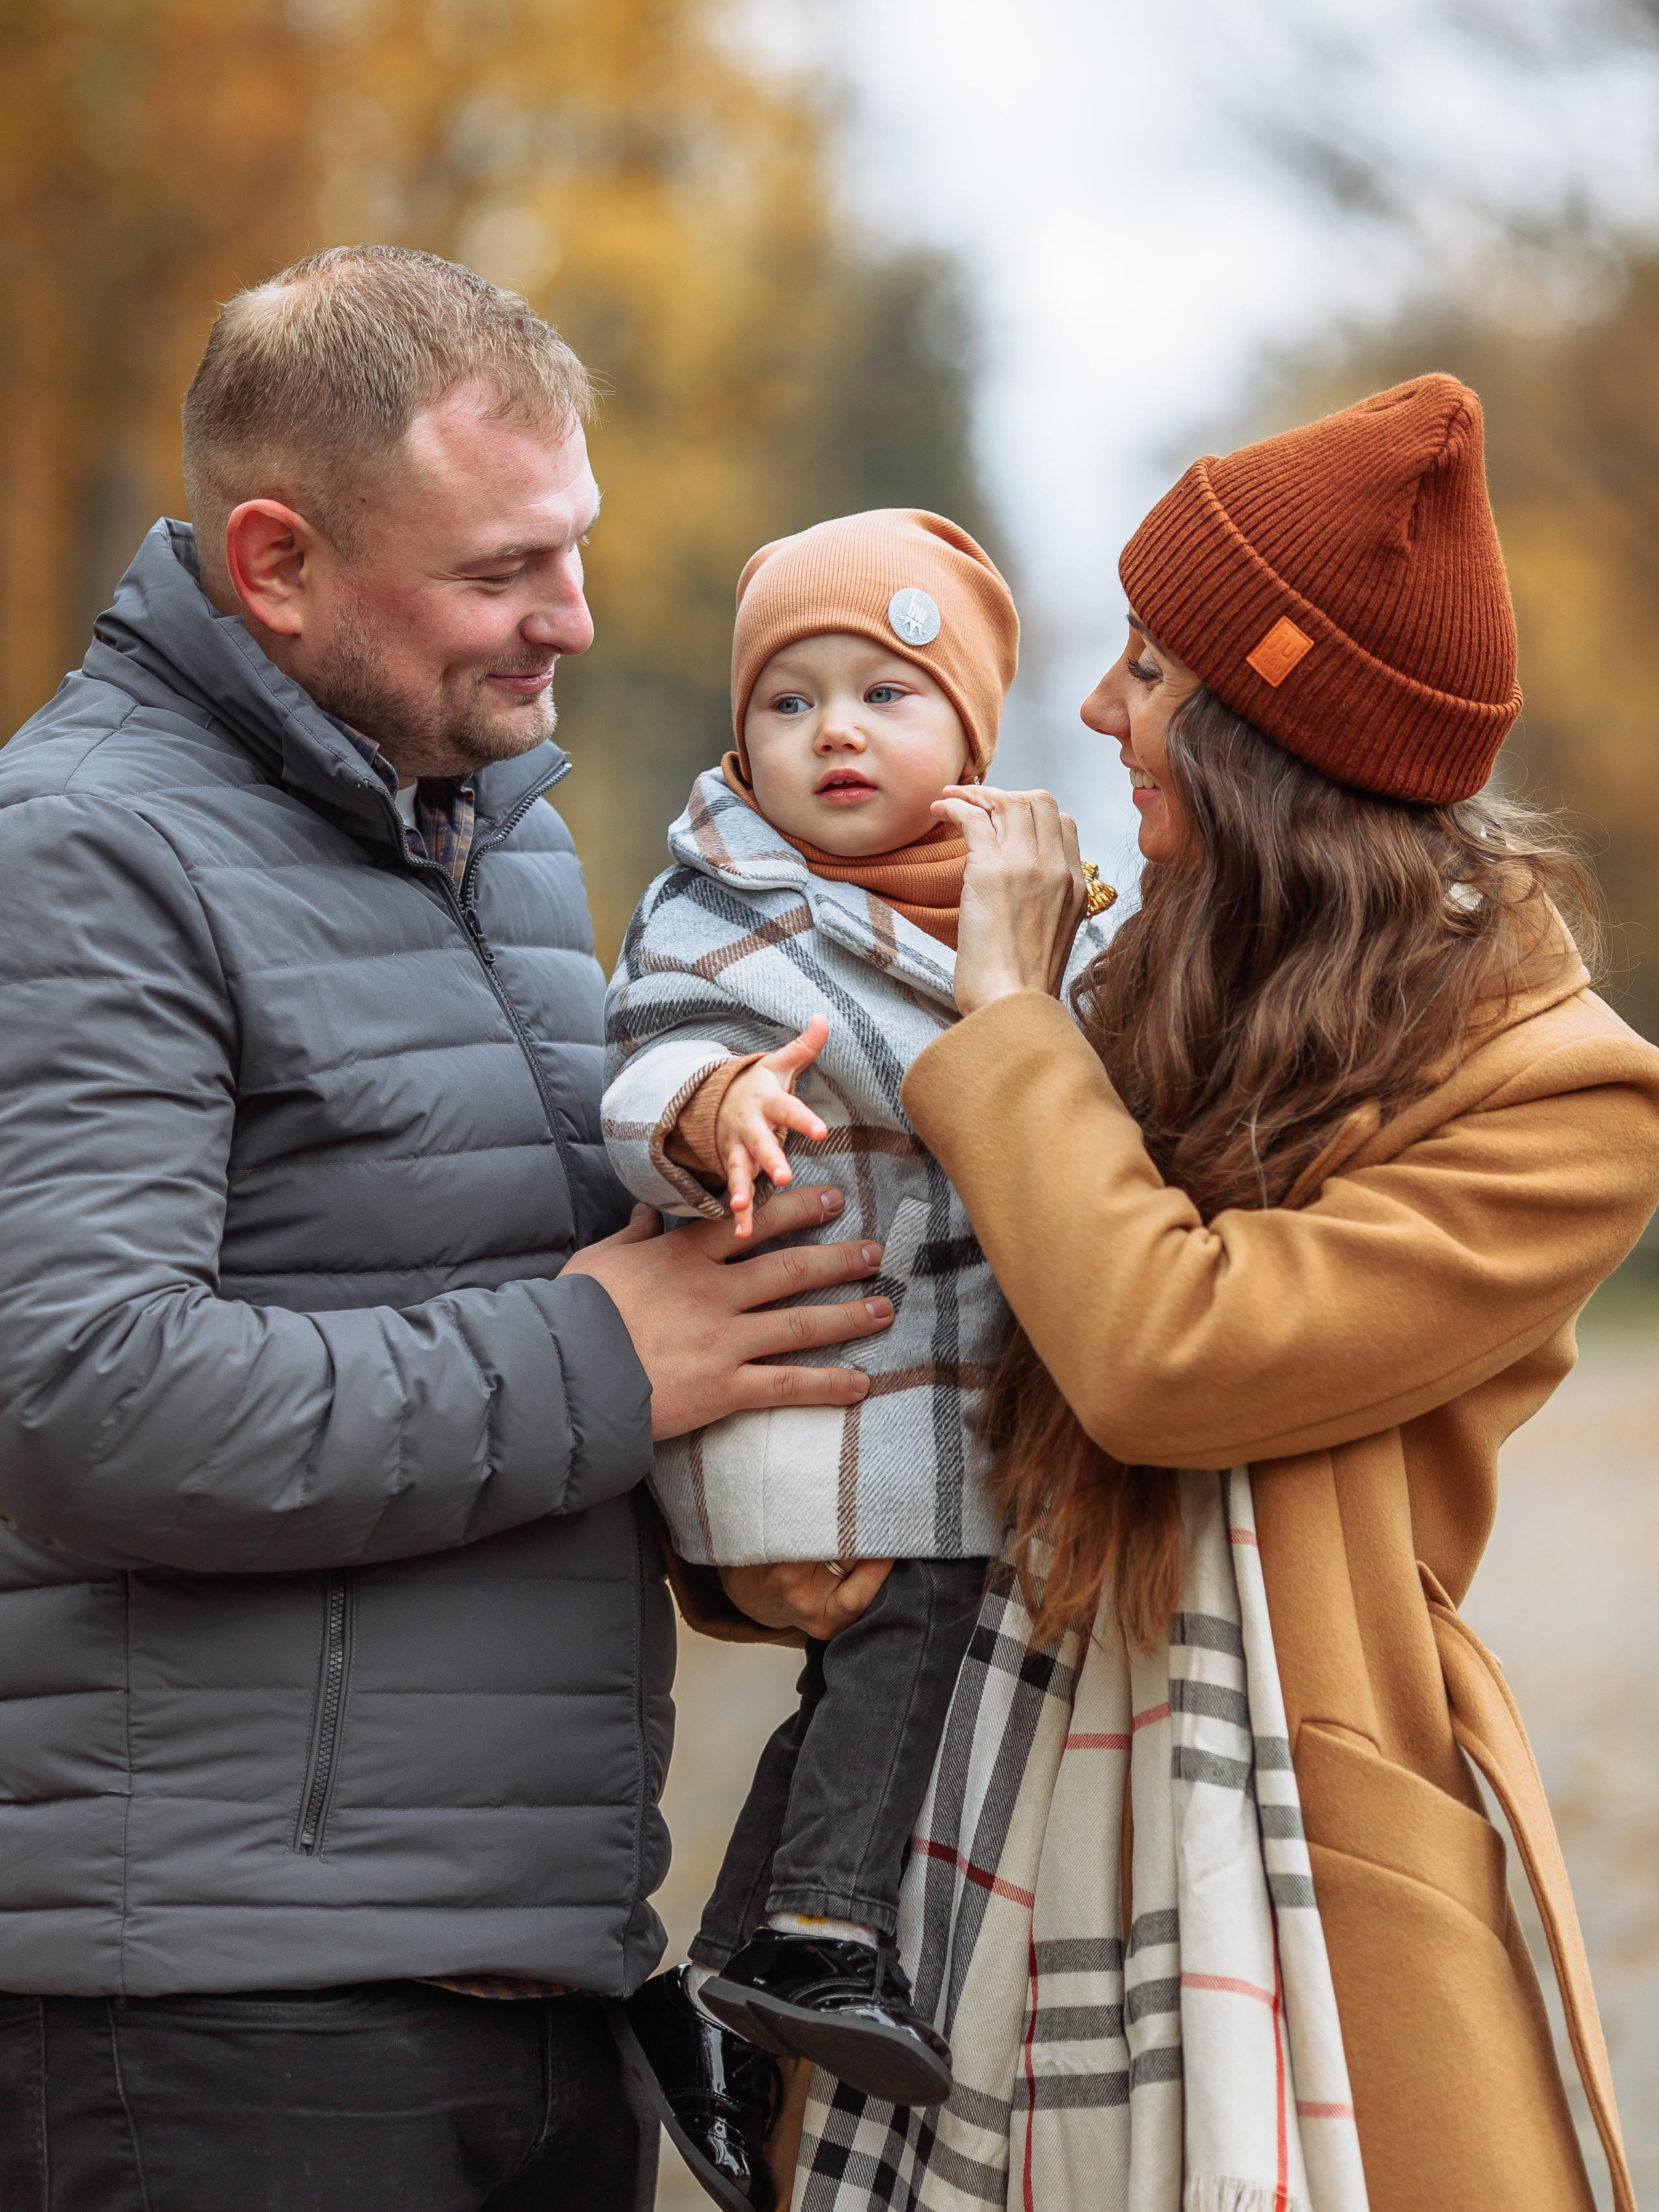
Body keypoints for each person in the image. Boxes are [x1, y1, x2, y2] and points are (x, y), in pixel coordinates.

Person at [0, 243, 899, 2212]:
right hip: (228, 2035)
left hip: (537, 1980)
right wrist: (605, 1354)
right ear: (277, 563)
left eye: (572, 550)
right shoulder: (87, 852)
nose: (568, 621)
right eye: (502, 573)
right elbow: (77, 1398)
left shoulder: (494, 842)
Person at [735, 377, 1659, 2211]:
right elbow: (932, 1328)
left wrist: (1004, 1023)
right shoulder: (1123, 979)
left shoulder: (1561, 1100)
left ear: (1266, 733)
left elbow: (1168, 1350)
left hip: (1288, 1848)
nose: (1093, 714)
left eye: (1148, 672)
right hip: (977, 1796)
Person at [601, 511, 1116, 2171]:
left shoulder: (1009, 906)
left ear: (967, 733)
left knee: (888, 1643)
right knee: (919, 1607)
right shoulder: (735, 895)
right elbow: (650, 1038)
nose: (832, 732)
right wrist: (707, 1101)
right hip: (813, 1376)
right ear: (739, 738)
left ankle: (731, 1983)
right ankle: (813, 1928)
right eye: (790, 700)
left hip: (917, 1378)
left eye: (885, 695)